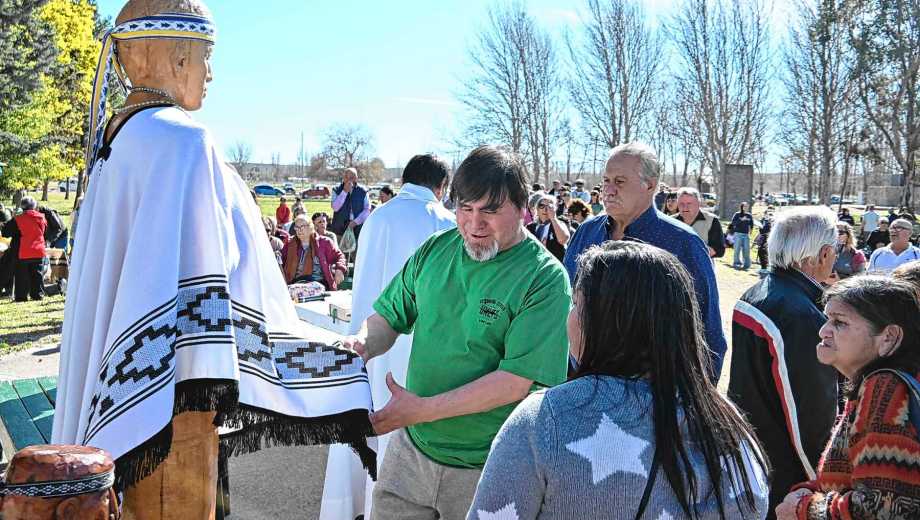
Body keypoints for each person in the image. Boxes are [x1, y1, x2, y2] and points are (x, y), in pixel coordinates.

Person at [51, 3, 376, 518]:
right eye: (207, 57)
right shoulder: (184, 141)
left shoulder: (118, 140)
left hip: (124, 394)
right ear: (176, 59)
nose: (212, 73)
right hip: (175, 403)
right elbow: (217, 279)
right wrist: (328, 356)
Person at [344, 145, 571, 519]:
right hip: (411, 453)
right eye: (465, 208)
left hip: (488, 465)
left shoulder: (544, 279)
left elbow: (514, 382)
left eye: (490, 210)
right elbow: (388, 317)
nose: (473, 224)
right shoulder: (437, 249)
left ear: (522, 207)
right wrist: (359, 343)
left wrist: (421, 411)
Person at [468, 241, 769, 520]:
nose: (569, 318)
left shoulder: (545, 419)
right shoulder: (729, 427)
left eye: (575, 304)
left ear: (602, 322)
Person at [320, 153, 456, 520]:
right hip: (413, 345)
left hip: (366, 337)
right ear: (440, 187)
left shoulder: (379, 216)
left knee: (364, 427)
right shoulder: (443, 221)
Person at [563, 142, 727, 378]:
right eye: (605, 180)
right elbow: (566, 304)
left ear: (650, 185)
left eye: (619, 182)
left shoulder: (682, 243)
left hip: (651, 396)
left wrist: (690, 409)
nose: (608, 190)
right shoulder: (586, 233)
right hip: (582, 384)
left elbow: (708, 334)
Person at [775, 276, 920, 520]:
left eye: (839, 322)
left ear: (888, 338)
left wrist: (803, 509)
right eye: (827, 319)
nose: (823, 331)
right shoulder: (879, 383)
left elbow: (882, 509)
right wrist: (810, 491)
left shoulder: (886, 388)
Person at [729, 206, 841, 519]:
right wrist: (820, 478)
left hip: (753, 453)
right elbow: (808, 412)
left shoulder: (758, 292)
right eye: (835, 250)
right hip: (786, 472)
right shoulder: (800, 314)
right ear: (822, 254)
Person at [280, 216, 347, 289]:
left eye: (302, 227)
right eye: (297, 227)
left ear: (311, 227)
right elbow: (280, 260)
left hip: (320, 284)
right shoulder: (289, 244)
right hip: (295, 284)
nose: (299, 230)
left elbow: (339, 256)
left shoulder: (324, 243)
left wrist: (339, 269)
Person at [7, 197, 47, 302]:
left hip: (23, 251)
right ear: (34, 206)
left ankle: (21, 297)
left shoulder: (18, 219)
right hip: (38, 250)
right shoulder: (41, 217)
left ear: (22, 206)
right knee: (37, 275)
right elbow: (44, 232)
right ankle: (37, 295)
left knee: (21, 275)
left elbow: (6, 232)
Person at [676, 187, 725, 258]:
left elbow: (719, 250)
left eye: (689, 203)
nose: (685, 207)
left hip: (701, 267)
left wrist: (691, 251)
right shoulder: (670, 221)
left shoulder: (712, 220)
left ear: (698, 203)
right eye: (681, 204)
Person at [526, 192, 570, 262]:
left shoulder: (560, 223)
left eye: (549, 206)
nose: (545, 209)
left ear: (554, 209)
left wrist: (553, 218)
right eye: (541, 206)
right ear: (537, 209)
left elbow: (563, 240)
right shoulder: (531, 227)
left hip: (554, 264)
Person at [331, 167, 371, 242]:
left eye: (352, 177)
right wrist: (344, 192)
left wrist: (355, 222)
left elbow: (367, 210)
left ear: (356, 178)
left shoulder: (363, 191)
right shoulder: (336, 189)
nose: (349, 180)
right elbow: (335, 207)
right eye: (346, 177)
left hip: (358, 229)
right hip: (339, 230)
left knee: (356, 253)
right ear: (343, 178)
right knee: (340, 253)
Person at [730, 202, 755, 270]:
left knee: (746, 250)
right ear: (741, 207)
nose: (746, 208)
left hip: (746, 235)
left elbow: (752, 224)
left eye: (747, 206)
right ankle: (737, 263)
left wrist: (751, 231)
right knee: (737, 249)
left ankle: (746, 264)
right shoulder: (737, 214)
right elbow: (733, 223)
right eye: (744, 206)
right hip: (738, 234)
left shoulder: (749, 215)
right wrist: (741, 220)